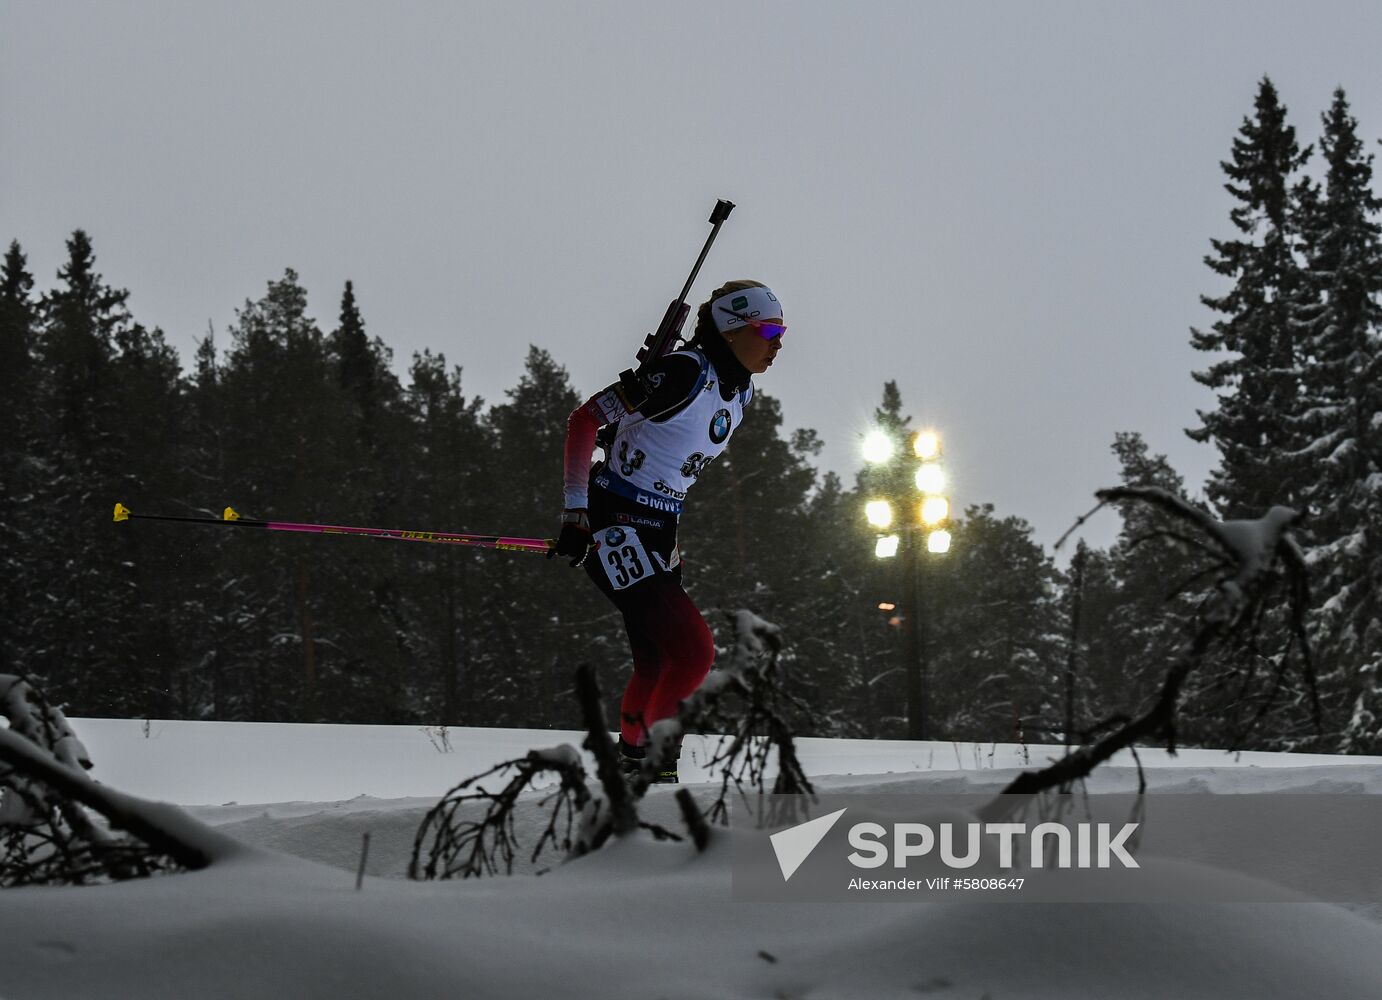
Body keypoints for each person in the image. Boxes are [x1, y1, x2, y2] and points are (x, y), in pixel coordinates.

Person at [548, 280, 785, 783]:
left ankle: (634, 766)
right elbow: (584, 421)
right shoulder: (681, 373)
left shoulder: (740, 388)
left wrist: (667, 535)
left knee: (657, 662)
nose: (778, 342)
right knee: (694, 651)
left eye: (781, 331)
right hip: (613, 520)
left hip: (659, 527)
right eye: (767, 329)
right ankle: (652, 767)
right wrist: (575, 513)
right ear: (730, 329)